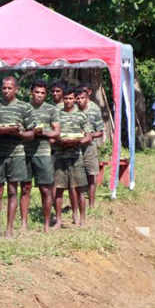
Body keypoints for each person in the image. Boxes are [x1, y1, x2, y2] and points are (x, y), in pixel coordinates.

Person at [0, 76, 36, 237]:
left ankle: (9, 230)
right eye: (4, 88)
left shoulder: (24, 108)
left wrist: (18, 132)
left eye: (9, 88)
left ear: (16, 89)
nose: (6, 91)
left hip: (17, 154)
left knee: (13, 191)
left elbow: (31, 134)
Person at [19, 79, 60, 233]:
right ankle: (23, 224)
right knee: (25, 188)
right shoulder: (23, 108)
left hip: (43, 153)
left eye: (42, 93)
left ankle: (46, 224)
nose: (39, 96)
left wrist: (43, 133)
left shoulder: (51, 109)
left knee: (45, 189)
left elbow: (56, 131)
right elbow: (18, 128)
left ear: (46, 94)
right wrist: (29, 133)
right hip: (25, 152)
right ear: (31, 92)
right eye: (36, 92)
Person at [52, 87, 92, 228]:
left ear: (75, 99)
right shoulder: (56, 114)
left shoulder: (81, 116)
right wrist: (60, 141)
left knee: (79, 188)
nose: (68, 101)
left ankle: (81, 219)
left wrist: (76, 142)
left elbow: (88, 136)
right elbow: (52, 136)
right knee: (59, 188)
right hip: (60, 156)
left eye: (70, 98)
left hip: (76, 157)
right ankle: (58, 220)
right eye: (66, 99)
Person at [76, 85, 104, 208]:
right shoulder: (72, 109)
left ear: (87, 97)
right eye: (78, 98)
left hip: (89, 147)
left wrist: (89, 135)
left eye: (82, 98)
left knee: (91, 175)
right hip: (74, 147)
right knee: (76, 176)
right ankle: (78, 203)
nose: (80, 100)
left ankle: (91, 204)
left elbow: (100, 131)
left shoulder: (95, 109)